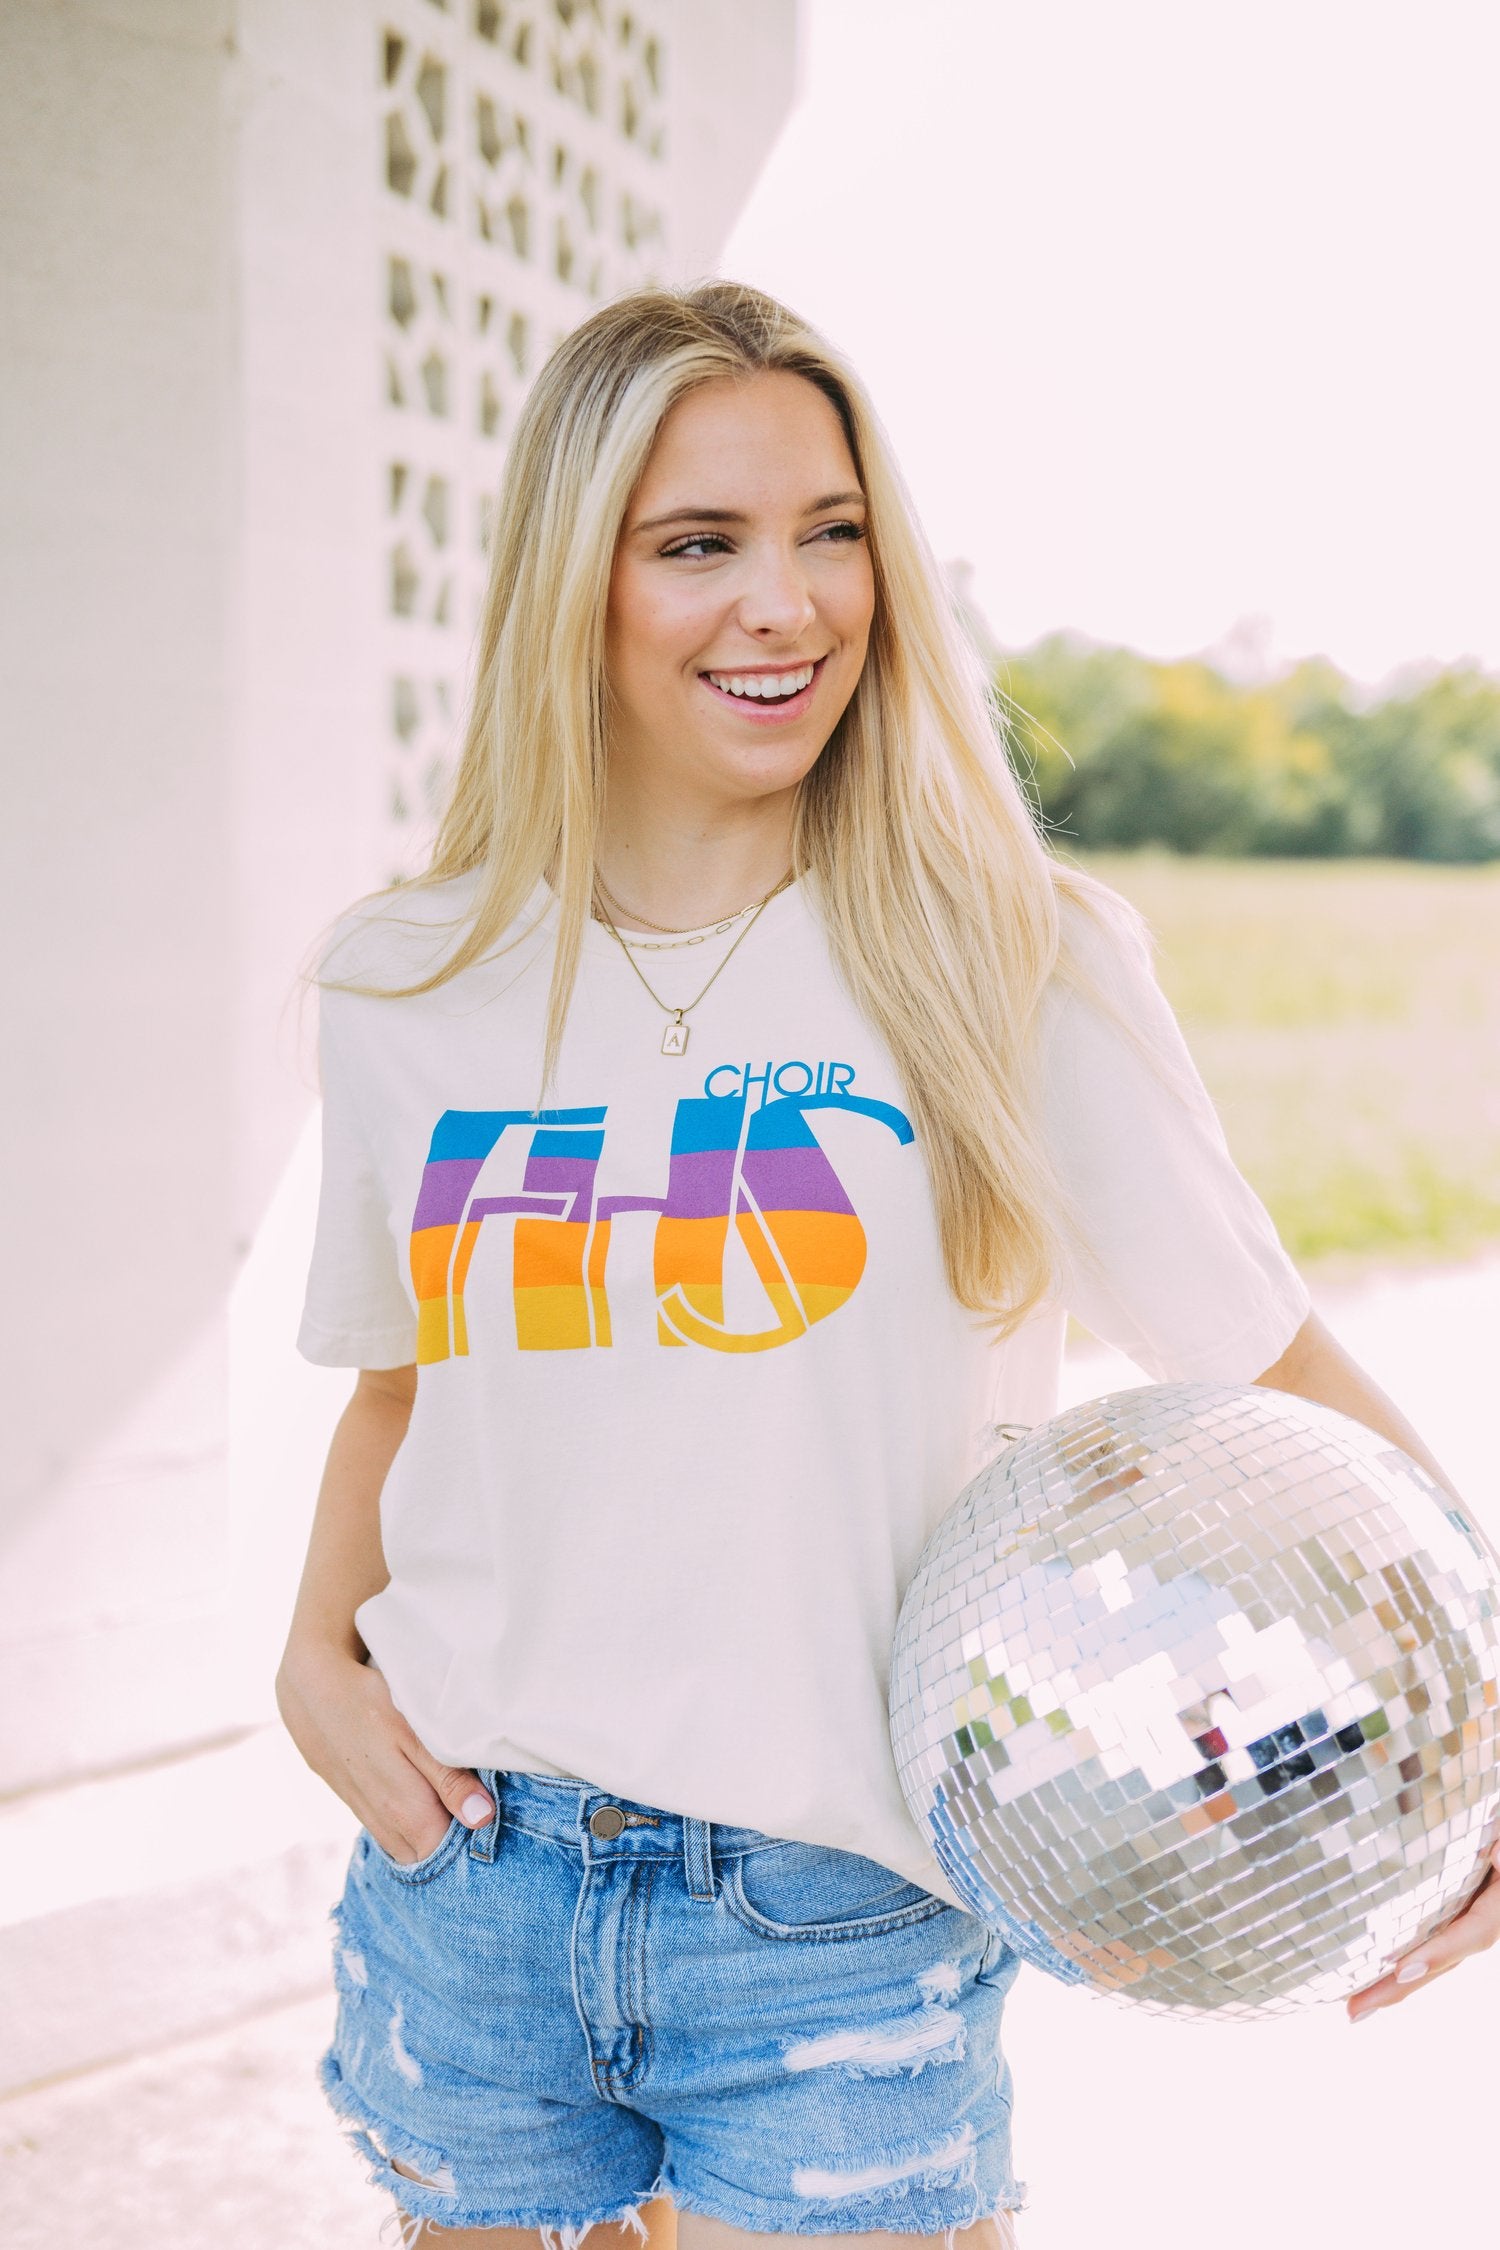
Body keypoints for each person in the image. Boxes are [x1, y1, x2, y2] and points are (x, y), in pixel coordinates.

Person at [276, 281, 1499, 2250]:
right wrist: (308, 1671)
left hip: (837, 1926)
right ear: (571, 587)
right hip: (474, 1891)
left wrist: (1483, 1715)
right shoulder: (407, 980)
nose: (789, 603)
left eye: (831, 532)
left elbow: (1283, 1385)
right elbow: (404, 1386)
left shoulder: (1009, 961)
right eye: (700, 546)